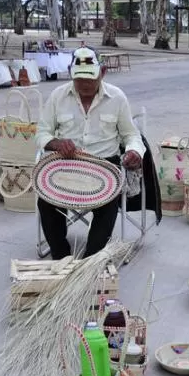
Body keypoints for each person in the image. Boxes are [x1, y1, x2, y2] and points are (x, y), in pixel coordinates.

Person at [35, 47, 144, 260]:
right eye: (79, 79)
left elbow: (132, 135)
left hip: (104, 164)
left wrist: (133, 152)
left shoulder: (117, 97)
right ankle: (61, 255)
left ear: (102, 73)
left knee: (109, 201)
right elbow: (41, 133)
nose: (84, 85)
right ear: (70, 73)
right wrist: (56, 143)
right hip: (68, 163)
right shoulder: (58, 96)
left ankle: (90, 259)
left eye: (90, 79)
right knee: (46, 201)